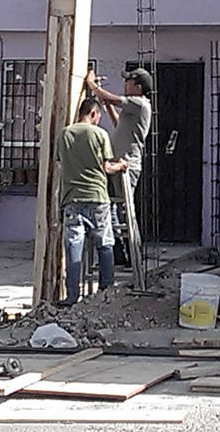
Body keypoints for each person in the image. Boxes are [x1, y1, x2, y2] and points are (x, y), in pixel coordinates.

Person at [54, 98, 128, 306]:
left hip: (72, 198)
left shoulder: (65, 134)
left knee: (73, 247)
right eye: (99, 116)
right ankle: (106, 291)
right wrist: (121, 166)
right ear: (94, 113)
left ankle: (71, 296)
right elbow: (106, 167)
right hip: (97, 198)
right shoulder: (100, 134)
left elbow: (59, 161)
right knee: (104, 245)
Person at [84, 67, 153, 198]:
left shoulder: (140, 103)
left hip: (127, 164)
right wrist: (108, 104)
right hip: (117, 164)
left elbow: (112, 98)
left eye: (129, 81)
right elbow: (118, 123)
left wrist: (91, 83)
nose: (125, 84)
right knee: (114, 204)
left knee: (122, 205)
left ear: (138, 87)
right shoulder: (133, 108)